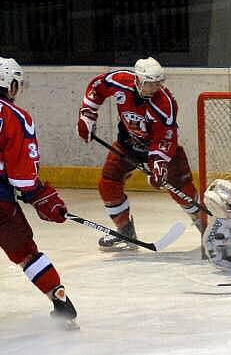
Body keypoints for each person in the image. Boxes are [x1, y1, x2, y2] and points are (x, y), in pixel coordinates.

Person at [0, 57, 77, 327]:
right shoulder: (18, 116)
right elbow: (22, 178)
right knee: (25, 252)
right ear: (11, 85)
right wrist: (44, 198)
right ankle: (60, 300)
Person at [76, 57, 207, 251]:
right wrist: (88, 114)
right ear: (137, 80)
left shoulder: (165, 103)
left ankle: (206, 229)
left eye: (158, 83)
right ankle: (125, 231)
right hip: (128, 145)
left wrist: (159, 164)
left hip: (161, 148)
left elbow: (166, 137)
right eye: (149, 83)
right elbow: (97, 87)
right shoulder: (120, 80)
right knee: (108, 184)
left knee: (182, 190)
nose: (154, 87)